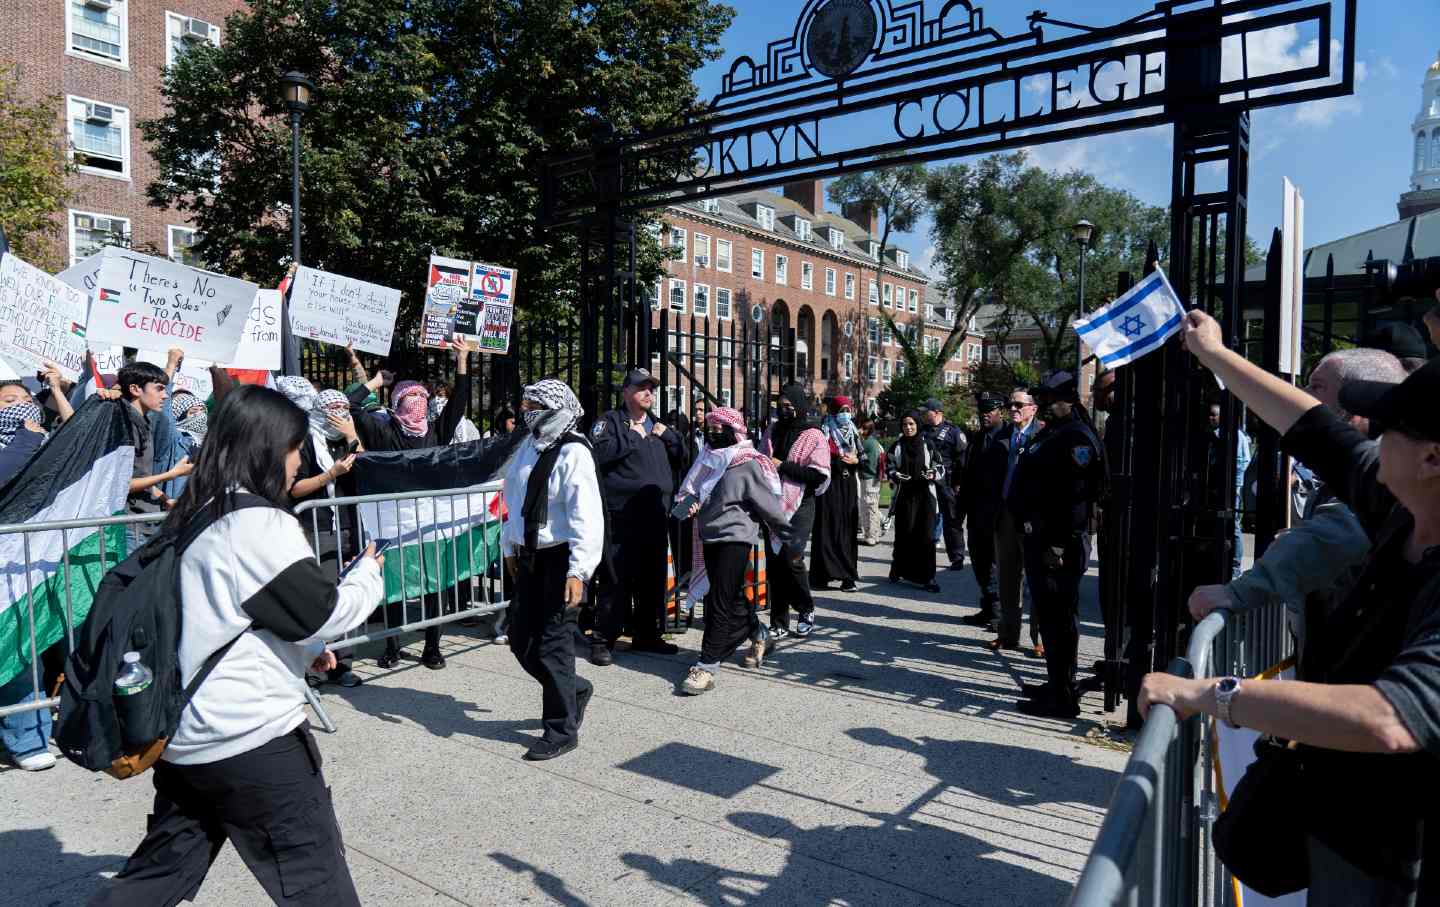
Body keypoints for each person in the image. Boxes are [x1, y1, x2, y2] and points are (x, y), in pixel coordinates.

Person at [1142, 310, 1440, 903]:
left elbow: (1392, 718)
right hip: (1347, 828)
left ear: (1431, 459)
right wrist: (1214, 354)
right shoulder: (1403, 510)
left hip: (1401, 860)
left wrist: (1210, 695)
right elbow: (1314, 429)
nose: (1370, 435)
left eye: (1389, 426)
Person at [91, 384, 386, 907]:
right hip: (251, 741)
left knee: (158, 875)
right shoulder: (257, 523)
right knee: (315, 881)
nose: (298, 462)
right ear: (271, 449)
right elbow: (326, 612)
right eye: (295, 448)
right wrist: (367, 576)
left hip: (186, 739)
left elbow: (228, 612)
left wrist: (301, 649)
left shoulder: (200, 509)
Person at [1187, 349, 1408, 665]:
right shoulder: (1364, 465)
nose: (1304, 396)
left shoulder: (1382, 467)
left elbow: (1338, 534)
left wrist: (1239, 592)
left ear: (1361, 406)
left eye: (1317, 387)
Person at [345, 338, 479, 669]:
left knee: (434, 586)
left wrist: (462, 360)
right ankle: (391, 646)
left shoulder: (436, 432)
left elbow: (459, 402)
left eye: (423, 397)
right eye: (410, 397)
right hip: (393, 525)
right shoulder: (383, 432)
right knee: (392, 586)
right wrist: (375, 382)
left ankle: (432, 647)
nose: (418, 402)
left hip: (429, 523)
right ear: (396, 403)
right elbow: (351, 405)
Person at [500, 379, 602, 761]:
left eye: (534, 403)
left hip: (560, 559)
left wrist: (579, 571)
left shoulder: (574, 452)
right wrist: (509, 544)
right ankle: (573, 689)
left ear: (554, 408)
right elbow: (514, 499)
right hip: (529, 556)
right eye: (525, 402)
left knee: (554, 644)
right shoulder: (529, 445)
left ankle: (561, 729)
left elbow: (586, 516)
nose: (526, 409)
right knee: (521, 638)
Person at [1008, 373, 1104, 719]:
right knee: (1050, 618)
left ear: (1064, 399)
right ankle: (1055, 683)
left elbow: (1076, 499)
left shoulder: (1076, 436)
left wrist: (1060, 545)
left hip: (1058, 543)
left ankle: (1063, 696)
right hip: (1042, 538)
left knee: (1060, 619)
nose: (1044, 405)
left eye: (1049, 399)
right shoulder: (1056, 431)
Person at [676, 408, 791, 694]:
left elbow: (768, 505)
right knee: (733, 593)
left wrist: (789, 535)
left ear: (734, 430)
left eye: (719, 428)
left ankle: (707, 665)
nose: (714, 433)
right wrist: (690, 503)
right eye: (710, 427)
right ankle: (759, 633)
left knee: (719, 600)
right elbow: (693, 491)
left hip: (735, 537)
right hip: (709, 535)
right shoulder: (708, 459)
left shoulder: (748, 463)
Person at [589, 368, 685, 665]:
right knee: (616, 579)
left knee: (652, 579)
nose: (649, 393)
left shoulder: (658, 425)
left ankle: (648, 634)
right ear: (626, 392)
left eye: (651, 388)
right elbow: (598, 456)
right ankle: (603, 639)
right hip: (623, 517)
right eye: (642, 388)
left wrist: (669, 436)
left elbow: (684, 457)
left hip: (655, 515)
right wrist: (632, 436)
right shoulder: (610, 422)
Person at [288, 385, 366, 689]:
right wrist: (330, 474)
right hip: (315, 527)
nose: (340, 415)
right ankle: (311, 664)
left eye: (344, 409)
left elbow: (367, 470)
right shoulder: (305, 441)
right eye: (333, 410)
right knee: (317, 598)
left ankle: (342, 664)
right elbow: (295, 489)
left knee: (344, 595)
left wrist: (351, 436)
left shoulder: (349, 439)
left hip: (347, 526)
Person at [759, 383, 830, 639]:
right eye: (781, 406)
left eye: (789, 406)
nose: (785, 410)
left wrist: (783, 466)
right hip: (772, 503)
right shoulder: (773, 430)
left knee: (792, 558)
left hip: (800, 503)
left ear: (800, 405)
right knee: (775, 562)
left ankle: (805, 607)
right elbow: (760, 460)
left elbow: (817, 476)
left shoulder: (814, 435)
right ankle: (778, 620)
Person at [120, 354, 194, 548]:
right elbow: (124, 484)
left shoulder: (142, 423)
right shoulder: (124, 426)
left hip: (147, 524)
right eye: (159, 389)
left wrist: (165, 499)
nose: (166, 395)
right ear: (135, 389)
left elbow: (141, 478)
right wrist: (172, 474)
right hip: (129, 528)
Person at [991, 388, 1041, 654]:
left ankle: (1039, 639)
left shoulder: (1042, 435)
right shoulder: (1001, 436)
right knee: (1008, 578)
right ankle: (1008, 634)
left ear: (1033, 408)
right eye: (1010, 404)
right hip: (1005, 516)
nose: (1013, 409)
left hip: (1031, 518)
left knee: (1036, 579)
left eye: (1019, 404)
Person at [959, 392, 1007, 628]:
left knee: (996, 565)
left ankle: (999, 613)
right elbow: (968, 477)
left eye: (990, 410)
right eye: (982, 411)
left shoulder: (1008, 438)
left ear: (1001, 411)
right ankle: (987, 608)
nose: (984, 414)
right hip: (977, 512)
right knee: (979, 561)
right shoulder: (978, 438)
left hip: (997, 514)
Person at [887, 412, 943, 593]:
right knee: (904, 533)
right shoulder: (897, 446)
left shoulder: (928, 445)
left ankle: (929, 577)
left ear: (918, 424)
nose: (908, 428)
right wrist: (896, 475)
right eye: (904, 425)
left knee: (926, 537)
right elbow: (889, 467)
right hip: (905, 496)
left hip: (925, 496)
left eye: (911, 424)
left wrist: (933, 474)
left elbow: (940, 466)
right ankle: (898, 569)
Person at [810, 396, 860, 592]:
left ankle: (847, 576)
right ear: (832, 412)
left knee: (847, 528)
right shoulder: (823, 430)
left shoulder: (854, 432)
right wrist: (836, 461)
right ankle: (822, 574)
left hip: (847, 485)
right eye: (840, 411)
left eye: (847, 410)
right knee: (826, 527)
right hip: (829, 485)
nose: (844, 415)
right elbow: (816, 456)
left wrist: (855, 460)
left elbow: (863, 457)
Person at [1205, 402, 1253, 579]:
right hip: (1221, 485)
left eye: (1214, 415)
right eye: (1209, 415)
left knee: (1233, 526)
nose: (1211, 418)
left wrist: (1235, 484)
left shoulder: (1235, 435)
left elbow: (1243, 462)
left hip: (1232, 486)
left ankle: (1235, 565)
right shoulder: (1216, 435)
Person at [921, 398, 967, 569]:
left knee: (952, 521)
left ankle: (957, 557)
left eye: (927, 411)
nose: (924, 414)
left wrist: (958, 483)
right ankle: (924, 555)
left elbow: (963, 460)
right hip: (927, 482)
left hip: (947, 483)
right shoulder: (922, 431)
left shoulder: (953, 432)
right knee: (925, 519)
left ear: (938, 413)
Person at [857, 417, 884, 546]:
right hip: (873, 478)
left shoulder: (868, 443)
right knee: (872, 506)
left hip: (869, 477)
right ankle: (875, 534)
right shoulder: (873, 442)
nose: (861, 430)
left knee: (869, 507)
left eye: (864, 428)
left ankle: (871, 536)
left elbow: (865, 461)